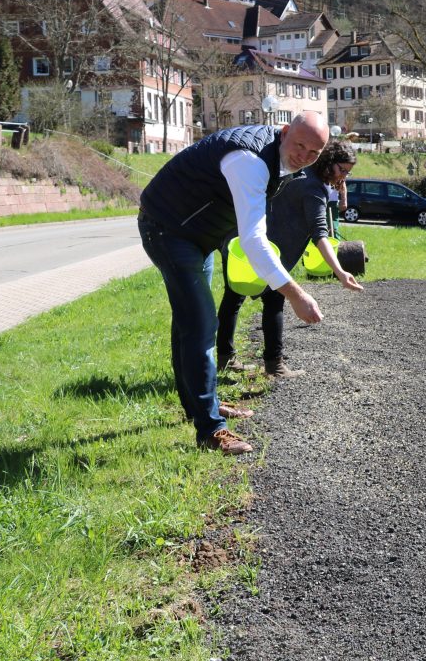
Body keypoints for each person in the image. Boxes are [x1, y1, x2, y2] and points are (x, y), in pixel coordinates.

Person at [138, 112, 330, 455]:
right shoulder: (250, 160)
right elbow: (254, 239)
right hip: (168, 228)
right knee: (201, 325)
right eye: (300, 145)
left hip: (196, 233)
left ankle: (202, 404)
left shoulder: (280, 156)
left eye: (314, 153)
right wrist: (295, 294)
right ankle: (210, 430)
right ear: (285, 131)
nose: (304, 156)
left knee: (189, 323)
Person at [217, 141, 364, 377]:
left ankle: (225, 360)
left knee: (233, 298)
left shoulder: (297, 171)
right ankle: (274, 365)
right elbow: (320, 234)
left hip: (242, 241)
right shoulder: (313, 188)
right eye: (342, 170)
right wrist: (340, 272)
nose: (344, 176)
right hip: (268, 250)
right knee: (274, 301)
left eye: (348, 172)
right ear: (329, 163)